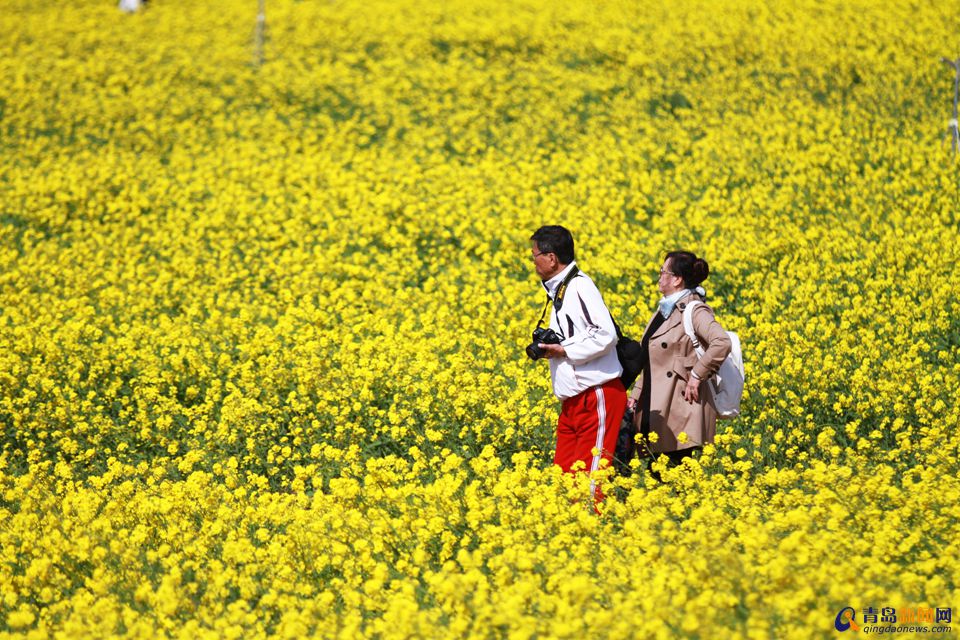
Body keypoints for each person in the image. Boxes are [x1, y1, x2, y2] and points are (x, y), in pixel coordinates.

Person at [529, 226, 627, 500]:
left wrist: (562, 349)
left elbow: (605, 334)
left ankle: (594, 532)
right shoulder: (560, 290)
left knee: (589, 483)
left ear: (550, 257)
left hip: (596, 395)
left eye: (534, 255)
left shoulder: (580, 286)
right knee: (564, 481)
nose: (533, 262)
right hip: (573, 401)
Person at [627, 251, 731, 474]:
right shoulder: (665, 309)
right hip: (656, 403)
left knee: (674, 473)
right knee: (661, 473)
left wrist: (696, 375)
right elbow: (651, 359)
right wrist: (635, 396)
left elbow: (721, 342)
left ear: (676, 279)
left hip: (679, 406)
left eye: (662, 272)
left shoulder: (693, 309)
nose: (659, 276)